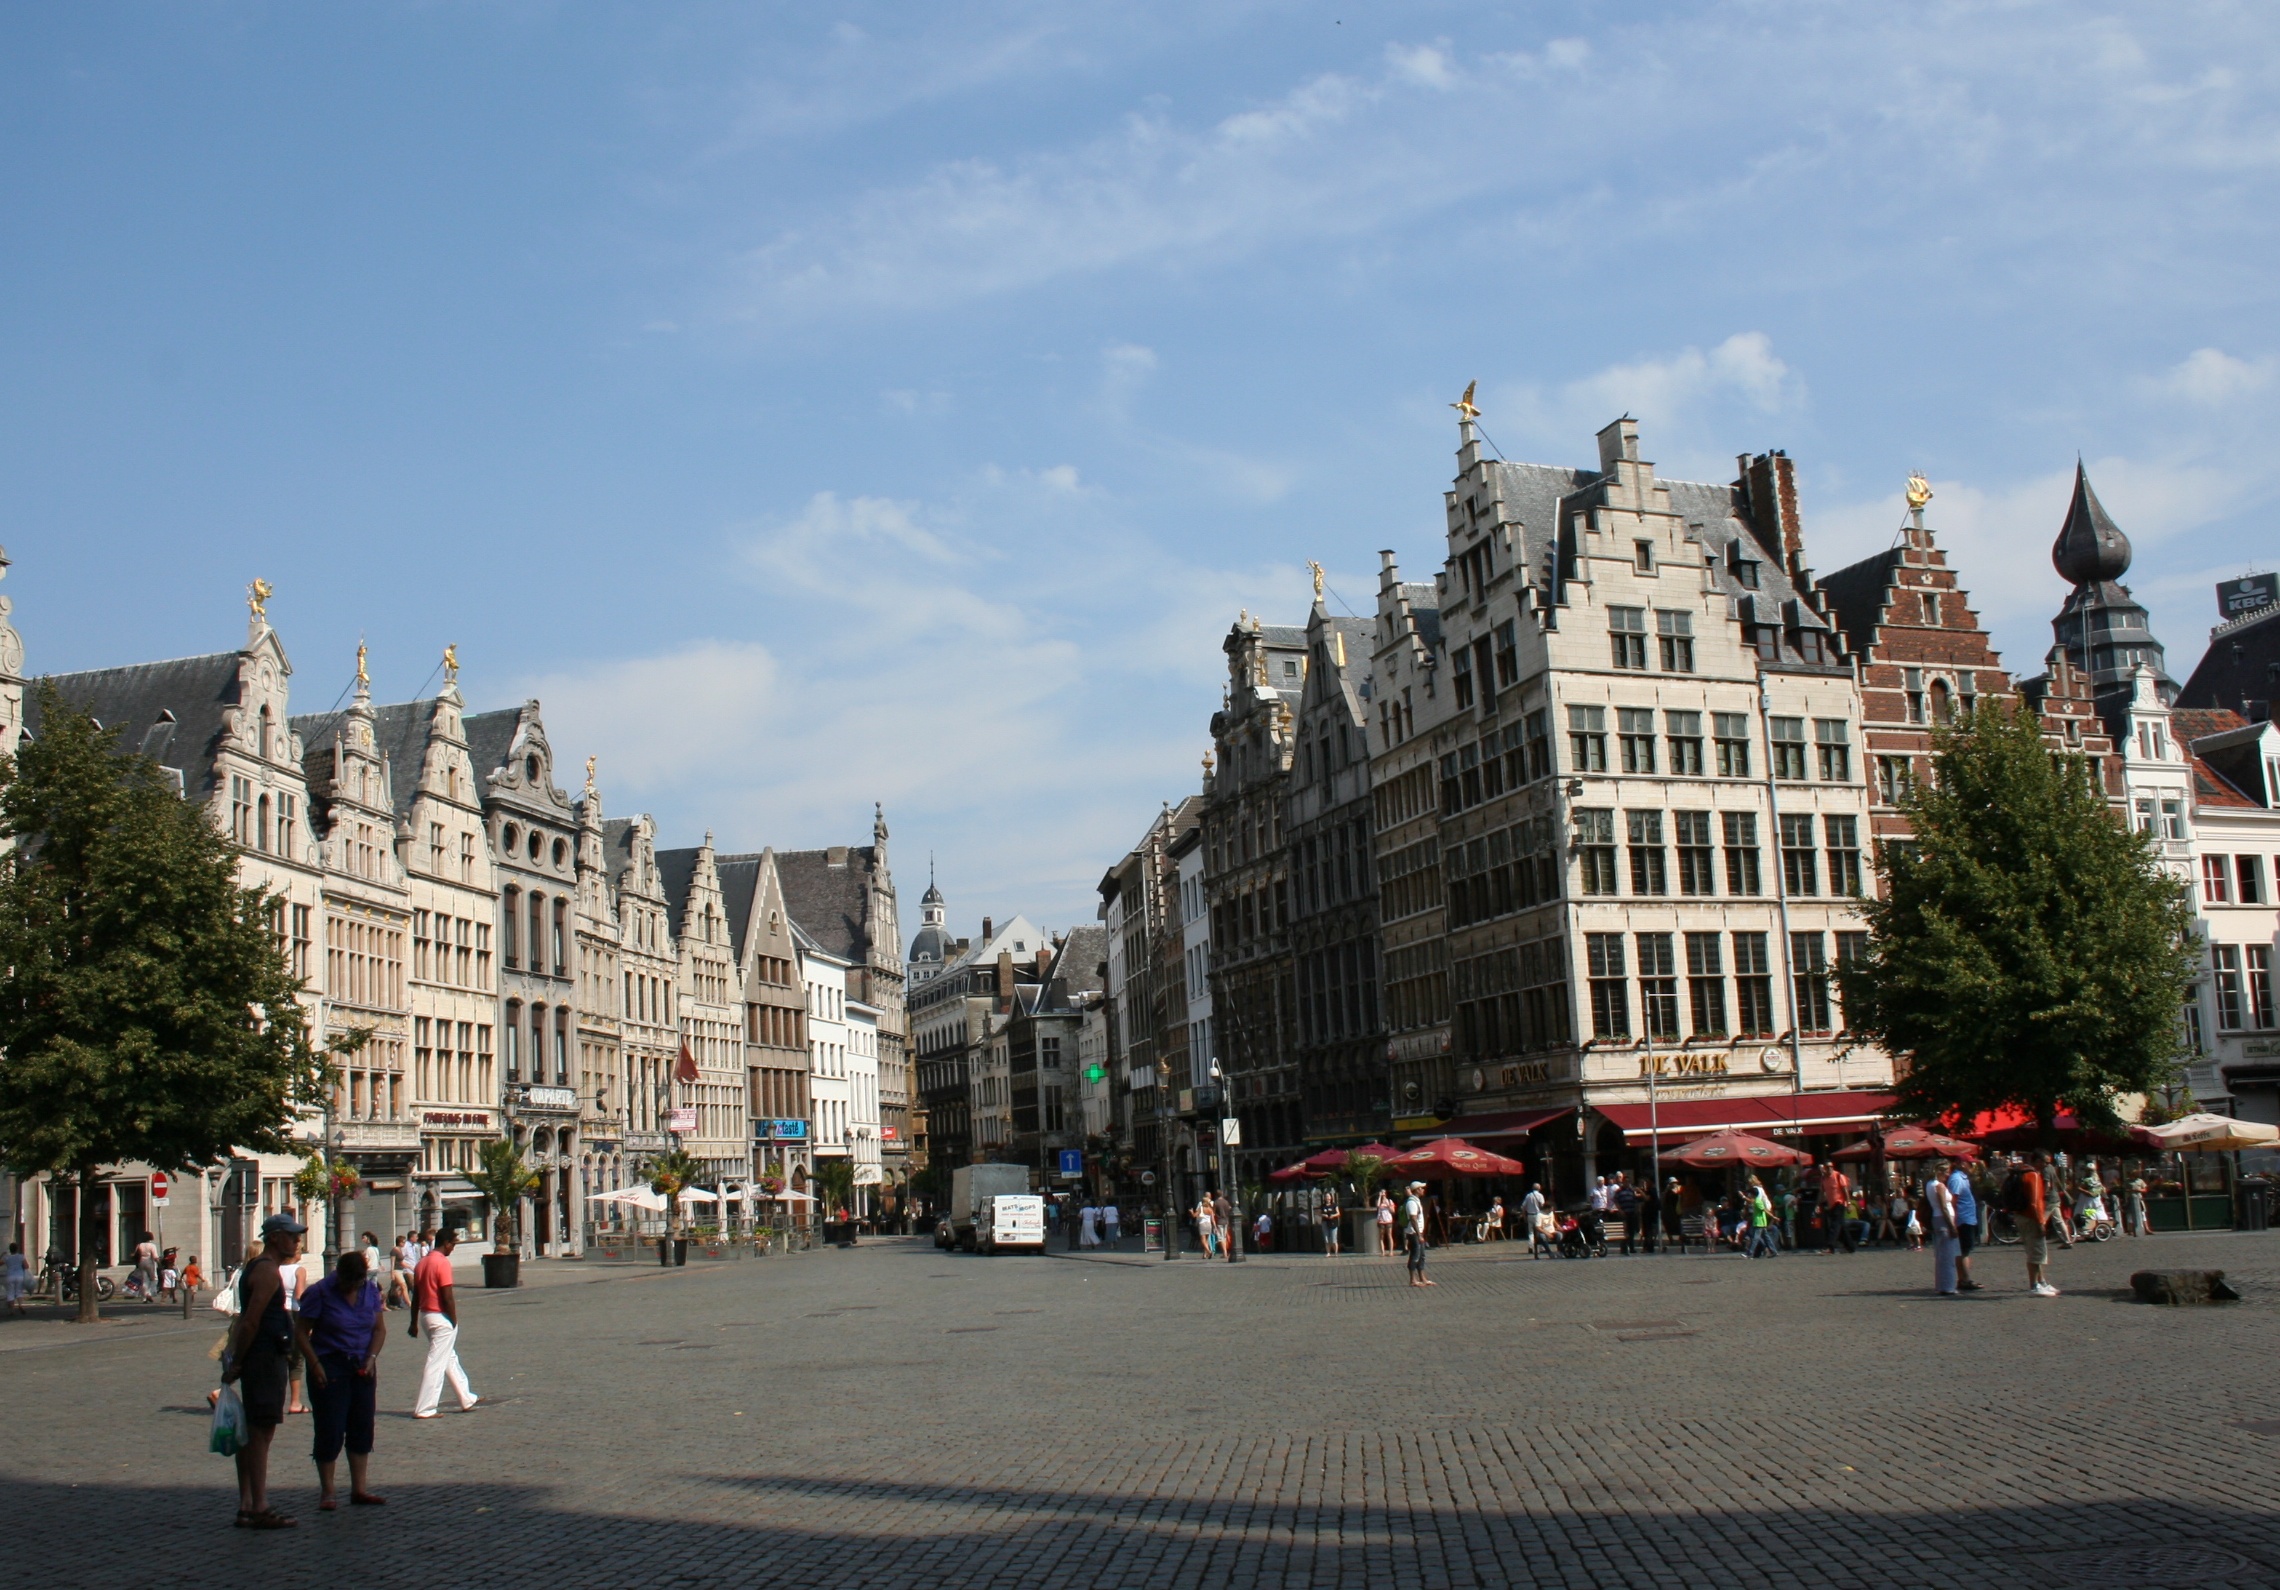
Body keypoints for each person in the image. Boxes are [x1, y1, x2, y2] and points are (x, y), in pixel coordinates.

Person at [221, 1213, 307, 1528]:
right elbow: (251, 1320)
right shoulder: (267, 1271)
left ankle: (247, 1503)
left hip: (262, 1357)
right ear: (274, 1238)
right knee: (260, 1433)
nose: (297, 1241)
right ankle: (258, 1505)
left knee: (252, 1432)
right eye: (291, 1235)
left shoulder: (261, 1268)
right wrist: (238, 1361)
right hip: (264, 1359)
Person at [296, 1249, 387, 1510]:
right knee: (330, 1427)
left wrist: (371, 1358)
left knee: (362, 1426)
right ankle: (328, 1491)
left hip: (362, 1365)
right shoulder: (320, 1292)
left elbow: (379, 1329)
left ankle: (359, 1489)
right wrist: (314, 1364)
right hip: (330, 1365)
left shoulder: (370, 1291)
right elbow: (301, 1332)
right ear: (340, 1275)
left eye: (358, 1282)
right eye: (349, 1282)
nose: (352, 1287)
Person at [410, 1229, 478, 1418]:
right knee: (437, 1362)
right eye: (453, 1244)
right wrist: (454, 1319)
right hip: (440, 1316)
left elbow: (416, 1296)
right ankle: (425, 1407)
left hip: (426, 1315)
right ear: (446, 1243)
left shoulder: (422, 1263)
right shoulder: (442, 1263)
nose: (453, 1248)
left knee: (448, 1357)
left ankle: (466, 1397)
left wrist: (413, 1321)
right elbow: (447, 1296)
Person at [2015, 1153, 2058, 1296]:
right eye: (2046, 1162)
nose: (2047, 1165)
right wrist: (2040, 1222)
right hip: (2031, 1218)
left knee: (2036, 1251)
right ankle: (2034, 1285)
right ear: (2038, 1161)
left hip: (2022, 1215)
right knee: (2036, 1252)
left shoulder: (2022, 1172)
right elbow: (2034, 1203)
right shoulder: (2033, 1175)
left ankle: (2041, 1281)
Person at [1945, 1158, 1982, 1291]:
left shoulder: (1963, 1178)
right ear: (1962, 1164)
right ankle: (1964, 1280)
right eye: (1970, 1164)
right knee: (1963, 1251)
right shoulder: (1956, 1179)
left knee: (1965, 1250)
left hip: (1968, 1218)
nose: (1972, 1166)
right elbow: (1953, 1200)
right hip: (1962, 1219)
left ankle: (1964, 1279)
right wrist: (1953, 1221)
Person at [1926, 1159, 1961, 1296]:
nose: (1948, 1175)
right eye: (1946, 1172)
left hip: (1937, 1218)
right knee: (1948, 1256)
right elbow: (1944, 1207)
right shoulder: (1939, 1186)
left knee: (1941, 1255)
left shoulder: (1929, 1184)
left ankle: (1942, 1285)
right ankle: (1948, 1286)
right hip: (1944, 1220)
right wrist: (1952, 1226)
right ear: (1940, 1172)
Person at [1402, 1181, 1434, 1287]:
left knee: (1421, 1255)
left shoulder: (1417, 1201)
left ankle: (1422, 1277)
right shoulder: (1411, 1202)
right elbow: (1413, 1218)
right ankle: (1412, 1279)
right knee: (1415, 1255)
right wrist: (1418, 1234)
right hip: (1413, 1232)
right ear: (1417, 1190)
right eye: (1421, 1188)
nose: (1423, 1190)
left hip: (1418, 1231)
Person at [1744, 1177, 1779, 1259]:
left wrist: (1773, 1217)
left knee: (1755, 1237)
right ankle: (1773, 1251)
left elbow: (1764, 1209)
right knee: (1766, 1237)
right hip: (1760, 1220)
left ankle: (1750, 1253)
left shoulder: (1757, 1200)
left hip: (1759, 1221)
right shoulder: (1758, 1197)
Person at [1613, 1173, 1639, 1256]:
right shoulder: (1619, 1191)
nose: (1627, 1183)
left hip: (1632, 1212)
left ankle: (1631, 1247)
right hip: (1624, 1213)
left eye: (1628, 1181)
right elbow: (1615, 1200)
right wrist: (1620, 1210)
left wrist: (1636, 1209)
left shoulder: (1631, 1191)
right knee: (1625, 1231)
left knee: (1631, 1231)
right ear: (1623, 1182)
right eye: (1626, 1181)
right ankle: (1624, 1248)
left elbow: (1635, 1200)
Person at [2, 1242, 29, 1315]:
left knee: (10, 1292)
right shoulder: (21, 1256)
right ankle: (20, 1305)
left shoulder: (6, 1257)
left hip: (10, 1276)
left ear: (10, 1249)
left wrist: (2, 1255)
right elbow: (26, 1266)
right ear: (17, 1249)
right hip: (19, 1276)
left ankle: (12, 1310)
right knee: (19, 1291)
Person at [1375, 1189, 1396, 1258]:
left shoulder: (1389, 1201)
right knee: (1381, 1236)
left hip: (1388, 1220)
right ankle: (1382, 1252)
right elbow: (1378, 1206)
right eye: (1381, 1192)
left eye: (1384, 1192)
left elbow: (1393, 1211)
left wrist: (1388, 1205)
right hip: (1381, 1221)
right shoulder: (1379, 1201)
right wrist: (1379, 1197)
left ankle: (1391, 1251)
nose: (1383, 1193)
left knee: (1389, 1235)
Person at [1321, 1192, 1342, 1256]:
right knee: (1326, 1239)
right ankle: (1328, 1252)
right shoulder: (1323, 1206)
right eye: (1326, 1196)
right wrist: (1324, 1215)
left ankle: (1336, 1252)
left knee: (1333, 1239)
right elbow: (1320, 1213)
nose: (1327, 1198)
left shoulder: (1334, 1205)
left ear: (1331, 1197)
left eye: (1328, 1196)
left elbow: (1338, 1213)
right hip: (1325, 1222)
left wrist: (1333, 1215)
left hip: (1333, 1222)